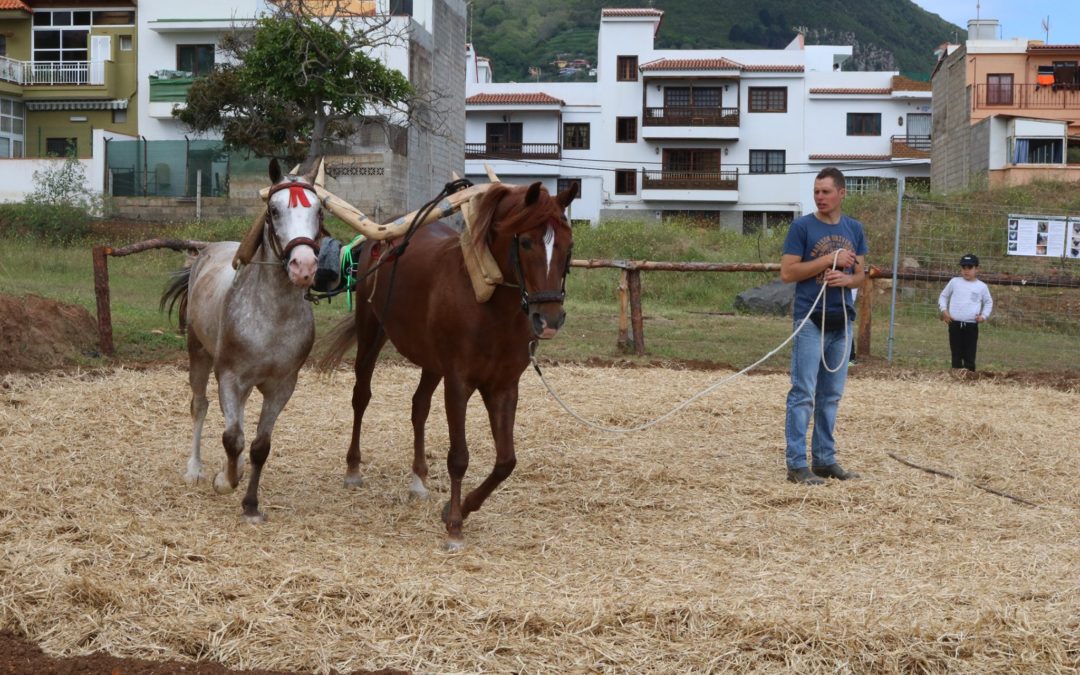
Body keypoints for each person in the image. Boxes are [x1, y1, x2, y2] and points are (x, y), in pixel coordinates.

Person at [780, 167, 867, 485]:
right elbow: (788, 273)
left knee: (830, 396)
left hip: (841, 319)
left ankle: (825, 460)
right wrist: (828, 260)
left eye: (826, 191)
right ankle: (796, 464)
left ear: (841, 194)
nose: (820, 197)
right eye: (816, 191)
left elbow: (860, 274)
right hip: (809, 319)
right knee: (803, 392)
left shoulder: (854, 229)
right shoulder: (801, 228)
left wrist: (847, 278)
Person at [938, 253, 993, 371]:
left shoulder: (981, 286)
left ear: (977, 269)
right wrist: (944, 310)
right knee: (956, 352)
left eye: (970, 268)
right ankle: (956, 375)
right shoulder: (954, 282)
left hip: (971, 325)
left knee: (969, 353)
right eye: (964, 268)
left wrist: (983, 316)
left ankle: (969, 377)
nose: (966, 271)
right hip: (954, 323)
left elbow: (988, 302)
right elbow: (943, 296)